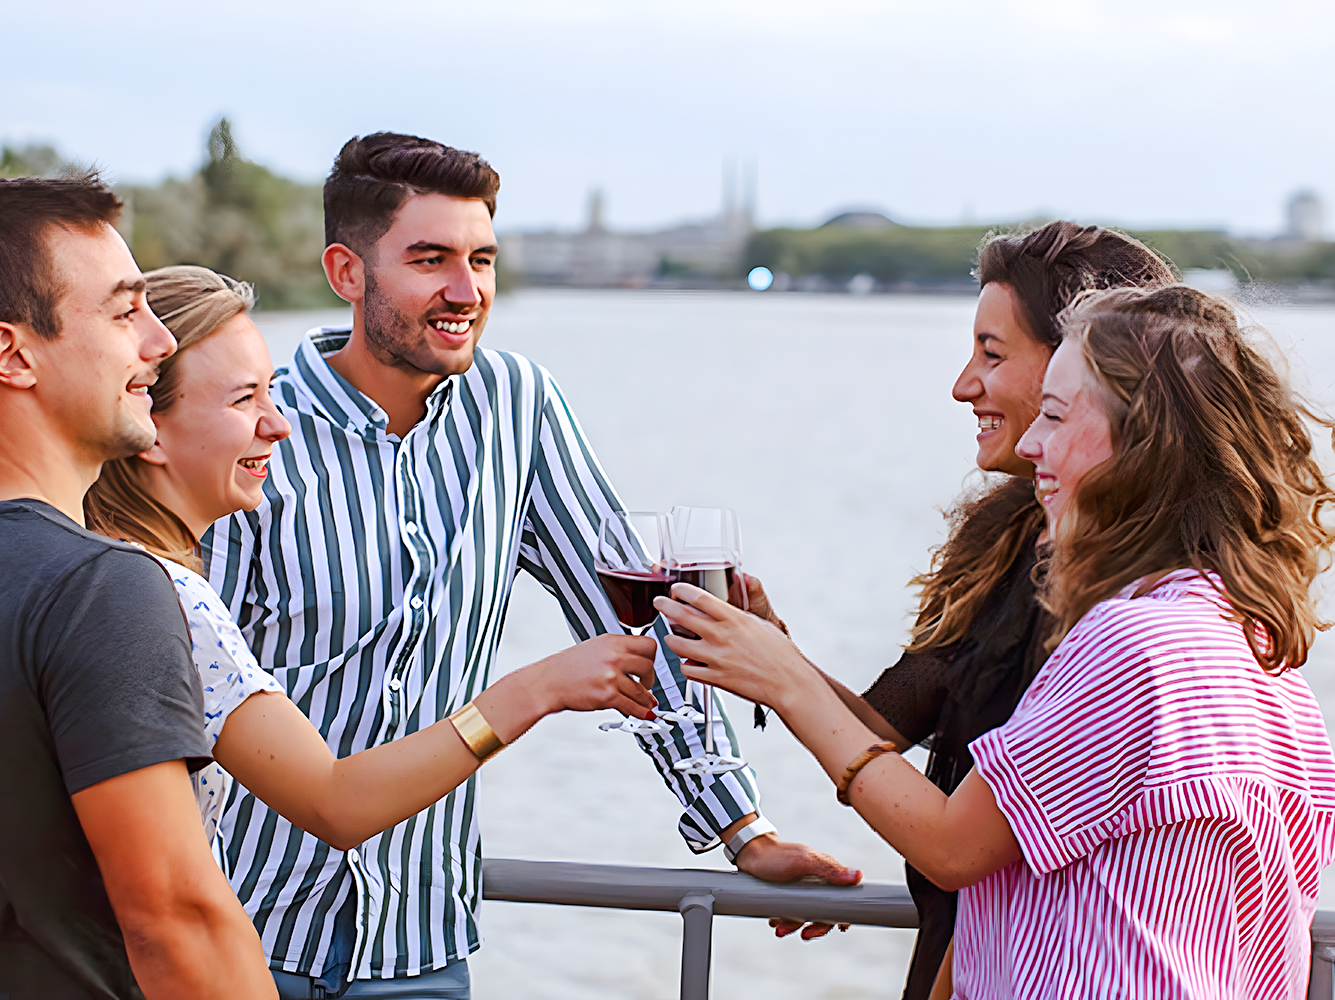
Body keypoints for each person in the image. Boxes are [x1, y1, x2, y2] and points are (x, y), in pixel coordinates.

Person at [202, 132, 857, 998]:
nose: (465, 292)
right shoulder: (255, 427)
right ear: (346, 272)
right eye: (430, 259)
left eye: (482, 260)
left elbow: (629, 627)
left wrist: (742, 827)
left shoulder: (518, 407)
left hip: (419, 954)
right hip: (242, 938)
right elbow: (187, 696)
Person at [660, 284, 1335, 998]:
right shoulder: (1261, 656)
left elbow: (953, 846)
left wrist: (787, 684)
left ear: (1143, 444)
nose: (1032, 443)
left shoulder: (1133, 642)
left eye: (1053, 414)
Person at [0, 176, 277, 998]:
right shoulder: (105, 588)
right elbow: (176, 920)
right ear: (11, 355)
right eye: (122, 311)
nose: (159, 342)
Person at [83, 263, 661, 854]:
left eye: (271, 393)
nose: (279, 426)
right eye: (243, 400)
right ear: (147, 429)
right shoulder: (166, 600)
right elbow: (334, 804)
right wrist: (537, 689)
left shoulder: (87, 567)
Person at [745, 221, 1177, 999]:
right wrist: (769, 648)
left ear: (1087, 364)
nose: (962, 384)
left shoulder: (1137, 611)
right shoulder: (1009, 538)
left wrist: (782, 679)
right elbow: (882, 729)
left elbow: (978, 855)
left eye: (992, 354)